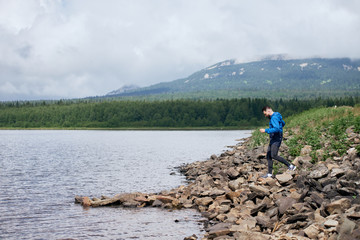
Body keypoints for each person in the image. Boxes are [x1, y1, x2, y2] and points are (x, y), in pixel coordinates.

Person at [259, 106, 296, 178]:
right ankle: (269, 174)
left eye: (265, 114)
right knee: (268, 155)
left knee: (274, 155)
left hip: (276, 139)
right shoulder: (277, 115)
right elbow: (283, 123)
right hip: (274, 138)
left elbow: (276, 129)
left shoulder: (274, 117)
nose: (265, 116)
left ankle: (290, 166)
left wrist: (265, 130)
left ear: (268, 111)